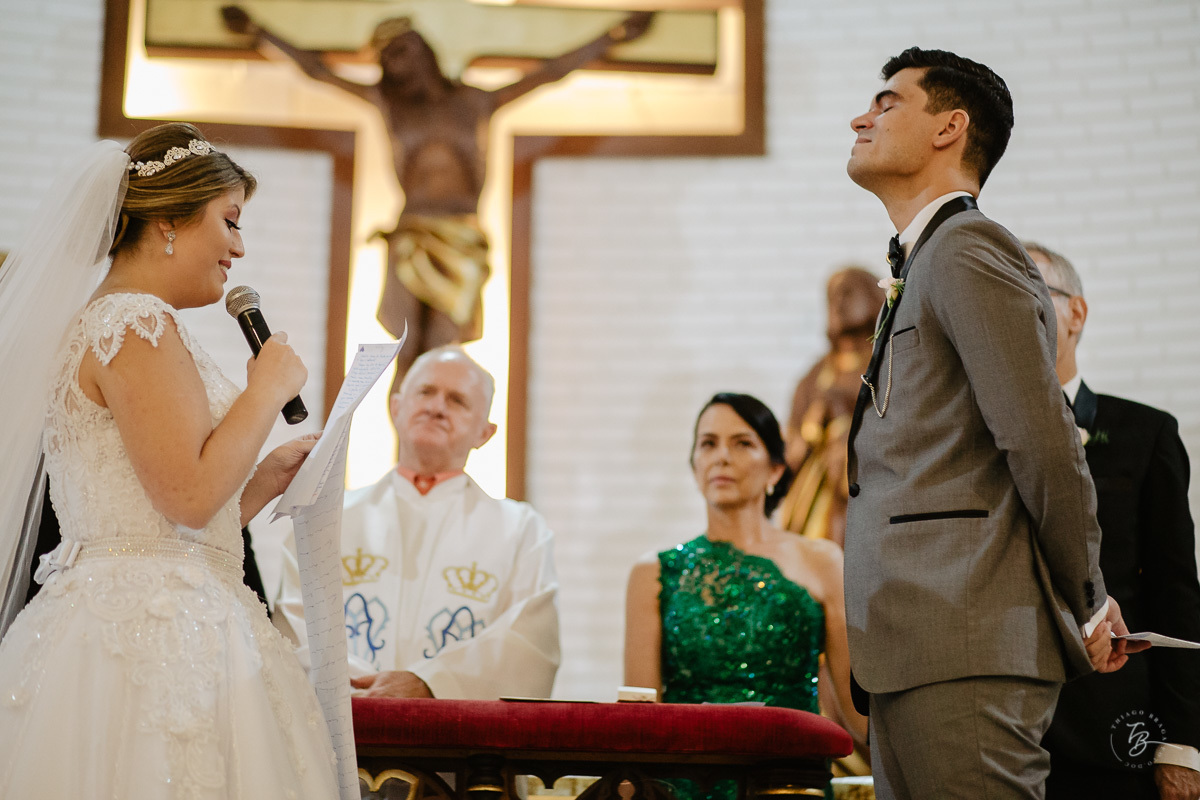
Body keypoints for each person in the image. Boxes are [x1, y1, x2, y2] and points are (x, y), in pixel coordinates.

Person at [0, 123, 339, 797]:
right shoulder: (133, 322)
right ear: (170, 222)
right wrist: (266, 390)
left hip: (168, 597)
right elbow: (184, 496)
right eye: (231, 222)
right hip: (146, 636)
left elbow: (167, 522)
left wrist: (263, 479)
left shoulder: (132, 322)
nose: (239, 249)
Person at [841, 47, 1143, 799]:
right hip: (915, 644)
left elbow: (1040, 438)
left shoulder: (971, 248)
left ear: (950, 127)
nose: (861, 117)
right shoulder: (925, 261)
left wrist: (1088, 594)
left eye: (887, 103)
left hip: (965, 641)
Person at [221, 5, 654, 392]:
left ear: (422, 49)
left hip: (461, 236)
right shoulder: (390, 105)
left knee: (443, 348)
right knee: (404, 351)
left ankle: (440, 446)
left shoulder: (474, 103)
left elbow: (552, 71)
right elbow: (318, 71)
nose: (393, 64)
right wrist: (262, 35)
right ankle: (401, 458)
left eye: (399, 51)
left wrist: (611, 37)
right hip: (411, 231)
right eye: (386, 59)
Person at [275, 345, 560, 699]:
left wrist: (428, 682)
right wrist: (362, 689)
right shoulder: (329, 515)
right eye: (425, 392)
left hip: (456, 742)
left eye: (457, 400)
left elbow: (529, 644)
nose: (437, 407)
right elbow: (295, 622)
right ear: (395, 408)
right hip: (338, 726)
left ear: (484, 434)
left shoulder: (520, 530)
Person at [1024, 242, 1200, 800]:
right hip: (999, 728)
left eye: (1034, 293)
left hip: (1112, 728)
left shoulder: (1145, 435)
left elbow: (1176, 593)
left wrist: (1182, 746)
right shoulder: (966, 441)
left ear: (1075, 313)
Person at [625, 393, 867, 797]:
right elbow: (640, 723)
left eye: (742, 443)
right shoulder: (652, 573)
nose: (722, 456)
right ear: (695, 467)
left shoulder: (823, 561)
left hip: (789, 782)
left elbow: (859, 715)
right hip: (683, 787)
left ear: (775, 469)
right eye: (708, 443)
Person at [778, 267, 885, 547]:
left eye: (848, 292)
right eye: (832, 296)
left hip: (866, 486)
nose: (838, 302)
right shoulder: (815, 375)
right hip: (817, 491)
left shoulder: (888, 363)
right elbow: (793, 441)